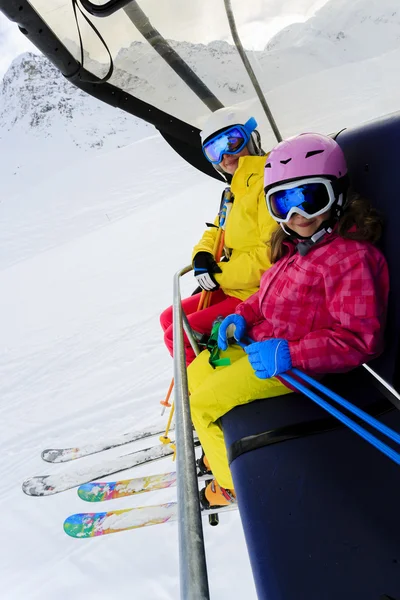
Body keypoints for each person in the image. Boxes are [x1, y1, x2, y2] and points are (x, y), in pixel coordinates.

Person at [187, 132, 389, 509]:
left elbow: (360, 339)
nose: (297, 216)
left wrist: (292, 354)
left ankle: (233, 487)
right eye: (282, 203)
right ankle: (220, 452)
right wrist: (241, 315)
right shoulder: (298, 248)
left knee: (203, 404)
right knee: (196, 373)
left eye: (310, 199)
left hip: (299, 368)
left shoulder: (350, 258)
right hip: (267, 348)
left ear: (338, 195)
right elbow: (266, 295)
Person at [160, 106, 278, 365]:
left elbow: (270, 258)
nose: (226, 155)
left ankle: (203, 378)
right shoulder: (233, 189)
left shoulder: (268, 182)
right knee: (169, 318)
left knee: (179, 332)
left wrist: (218, 274)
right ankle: (209, 363)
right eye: (215, 150)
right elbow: (217, 229)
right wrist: (202, 254)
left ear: (252, 138)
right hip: (236, 284)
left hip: (257, 292)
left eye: (232, 141)